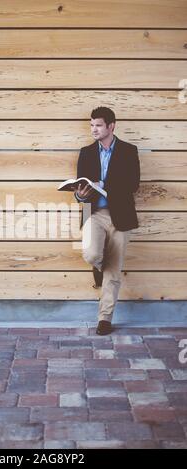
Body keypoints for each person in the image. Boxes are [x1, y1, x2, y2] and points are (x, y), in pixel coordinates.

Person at [74, 107, 140, 335]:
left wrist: (103, 185)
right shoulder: (85, 152)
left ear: (111, 126)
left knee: (114, 271)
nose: (94, 129)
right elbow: (81, 186)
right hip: (94, 214)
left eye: (98, 125)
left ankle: (105, 319)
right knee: (92, 254)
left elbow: (133, 184)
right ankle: (97, 266)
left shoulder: (130, 151)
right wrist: (80, 195)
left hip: (121, 215)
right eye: (92, 125)